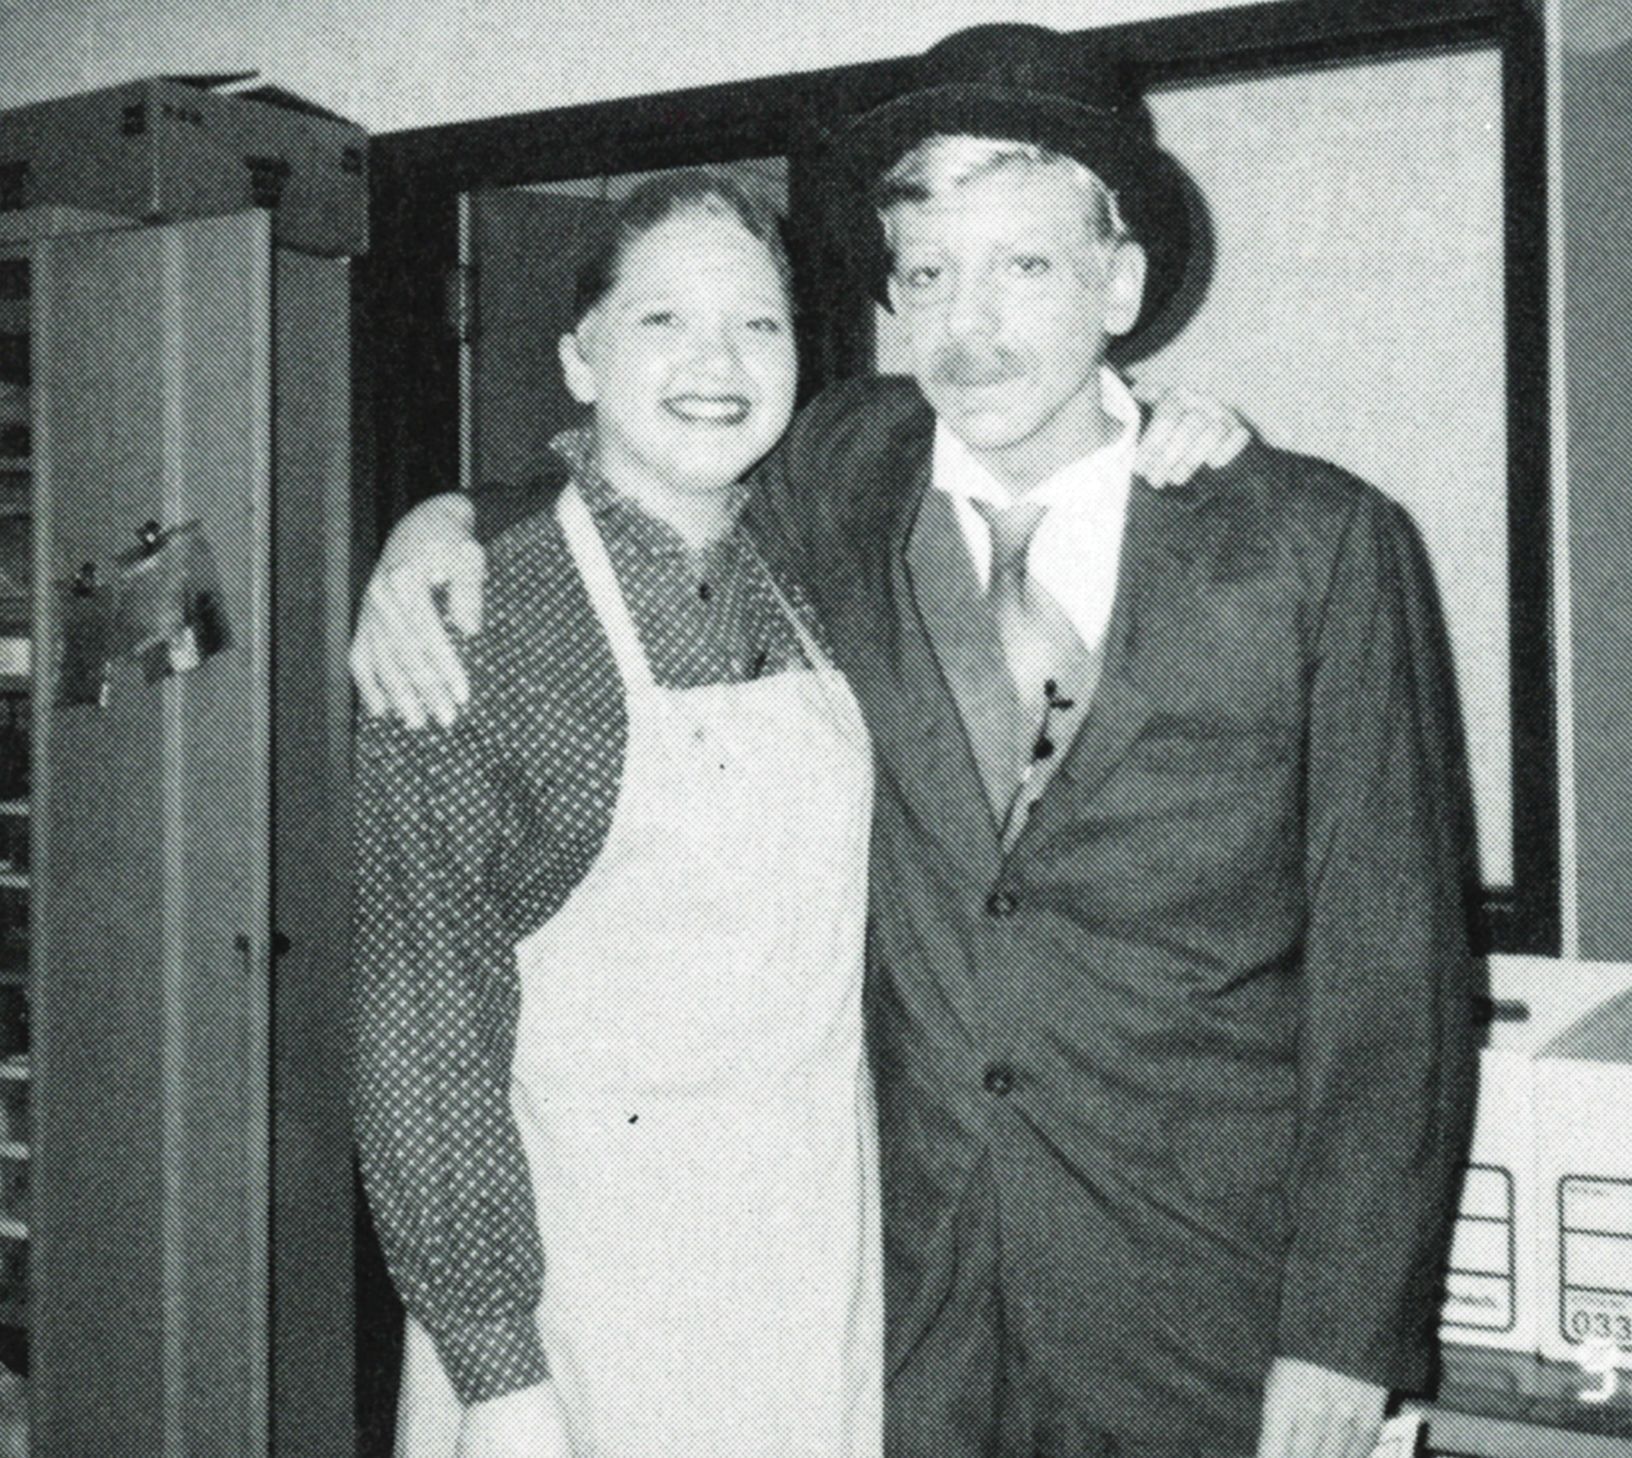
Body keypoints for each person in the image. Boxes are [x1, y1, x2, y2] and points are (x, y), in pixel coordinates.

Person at [352, 25, 1477, 1458]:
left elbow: (1397, 980)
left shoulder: (1309, 545)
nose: (972, 326)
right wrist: (444, 525)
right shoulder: (838, 478)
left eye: (1026, 266)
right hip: (898, 1313)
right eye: (931, 273)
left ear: (1118, 284)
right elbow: (641, 477)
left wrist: (1345, 1330)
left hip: (1209, 1311)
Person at [354, 173, 885, 1458]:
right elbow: (426, 1037)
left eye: (758, 326)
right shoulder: (472, 624)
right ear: (578, 361)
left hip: (820, 1261)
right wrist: (498, 1372)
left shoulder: (821, 563)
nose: (717, 362)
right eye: (664, 323)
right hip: (580, 1295)